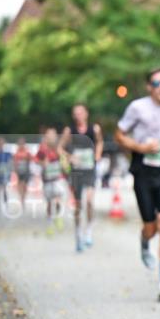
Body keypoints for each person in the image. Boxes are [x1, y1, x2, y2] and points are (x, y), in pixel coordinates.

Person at [114, 68, 160, 302]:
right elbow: (119, 135)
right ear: (149, 87)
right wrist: (141, 147)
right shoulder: (137, 108)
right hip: (143, 172)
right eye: (156, 83)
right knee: (152, 228)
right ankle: (144, 241)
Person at [60, 104, 103, 252]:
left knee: (90, 201)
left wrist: (97, 154)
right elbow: (60, 148)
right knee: (78, 205)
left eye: (81, 112)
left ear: (86, 114)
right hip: (77, 171)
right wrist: (70, 157)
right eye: (75, 113)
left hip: (90, 169)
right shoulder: (69, 131)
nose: (78, 115)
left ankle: (89, 230)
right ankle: (78, 232)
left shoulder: (94, 129)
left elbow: (100, 142)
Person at [36, 128, 65, 233]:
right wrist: (43, 163)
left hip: (58, 178)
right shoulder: (42, 149)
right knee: (49, 203)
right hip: (47, 179)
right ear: (46, 137)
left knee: (58, 199)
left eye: (53, 135)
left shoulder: (58, 148)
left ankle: (58, 217)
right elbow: (36, 160)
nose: (51, 137)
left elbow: (64, 158)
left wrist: (65, 162)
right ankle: (49, 224)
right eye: (49, 135)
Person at [12, 138, 33, 204]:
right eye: (20, 144)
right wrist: (15, 169)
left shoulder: (27, 152)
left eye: (22, 143)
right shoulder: (16, 152)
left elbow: (31, 159)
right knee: (20, 184)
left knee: (24, 185)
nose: (21, 145)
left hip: (26, 170)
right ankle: (21, 197)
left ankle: (23, 196)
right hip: (19, 171)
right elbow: (14, 161)